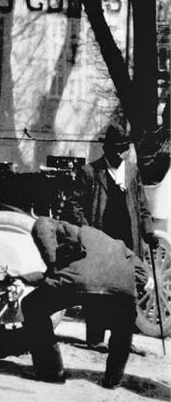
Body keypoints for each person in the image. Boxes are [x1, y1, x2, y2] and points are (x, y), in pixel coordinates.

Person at [7, 217, 139, 388]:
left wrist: (51, 265)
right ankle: (113, 380)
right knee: (124, 321)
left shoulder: (65, 228)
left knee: (32, 304)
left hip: (79, 281)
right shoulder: (116, 244)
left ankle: (50, 371)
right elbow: (141, 274)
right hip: (121, 287)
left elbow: (43, 226)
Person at [61, 121, 156, 348]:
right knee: (98, 288)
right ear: (107, 149)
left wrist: (149, 232)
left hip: (128, 240)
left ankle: (124, 340)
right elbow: (74, 205)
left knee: (128, 289)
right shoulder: (90, 172)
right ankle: (95, 338)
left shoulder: (132, 172)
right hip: (101, 239)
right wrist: (88, 232)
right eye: (116, 149)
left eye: (123, 149)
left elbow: (142, 207)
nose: (120, 154)